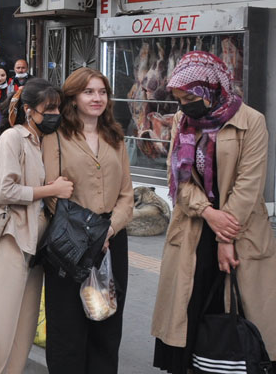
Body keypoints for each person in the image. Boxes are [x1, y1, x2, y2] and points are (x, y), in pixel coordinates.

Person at [152, 51, 276, 372]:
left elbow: (249, 185)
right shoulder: (183, 121)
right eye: (179, 97)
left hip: (241, 231)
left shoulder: (251, 121)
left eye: (190, 96)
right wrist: (209, 214)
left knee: (241, 310)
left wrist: (225, 236)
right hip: (195, 228)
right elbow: (178, 176)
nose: (184, 104)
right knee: (188, 311)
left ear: (211, 88)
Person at [0, 79, 73, 374]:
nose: (55, 114)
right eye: (48, 108)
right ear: (29, 110)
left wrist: (47, 187)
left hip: (34, 243)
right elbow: (4, 191)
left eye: (58, 108)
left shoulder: (41, 141)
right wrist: (50, 190)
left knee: (23, 330)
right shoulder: (12, 138)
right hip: (8, 240)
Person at [41, 67, 134, 373]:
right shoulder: (55, 137)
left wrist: (108, 229)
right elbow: (51, 193)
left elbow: (126, 195)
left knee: (106, 323)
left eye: (102, 92)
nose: (97, 98)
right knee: (67, 327)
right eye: (88, 92)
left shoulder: (115, 136)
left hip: (111, 241)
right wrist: (90, 232)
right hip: (70, 242)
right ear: (73, 97)